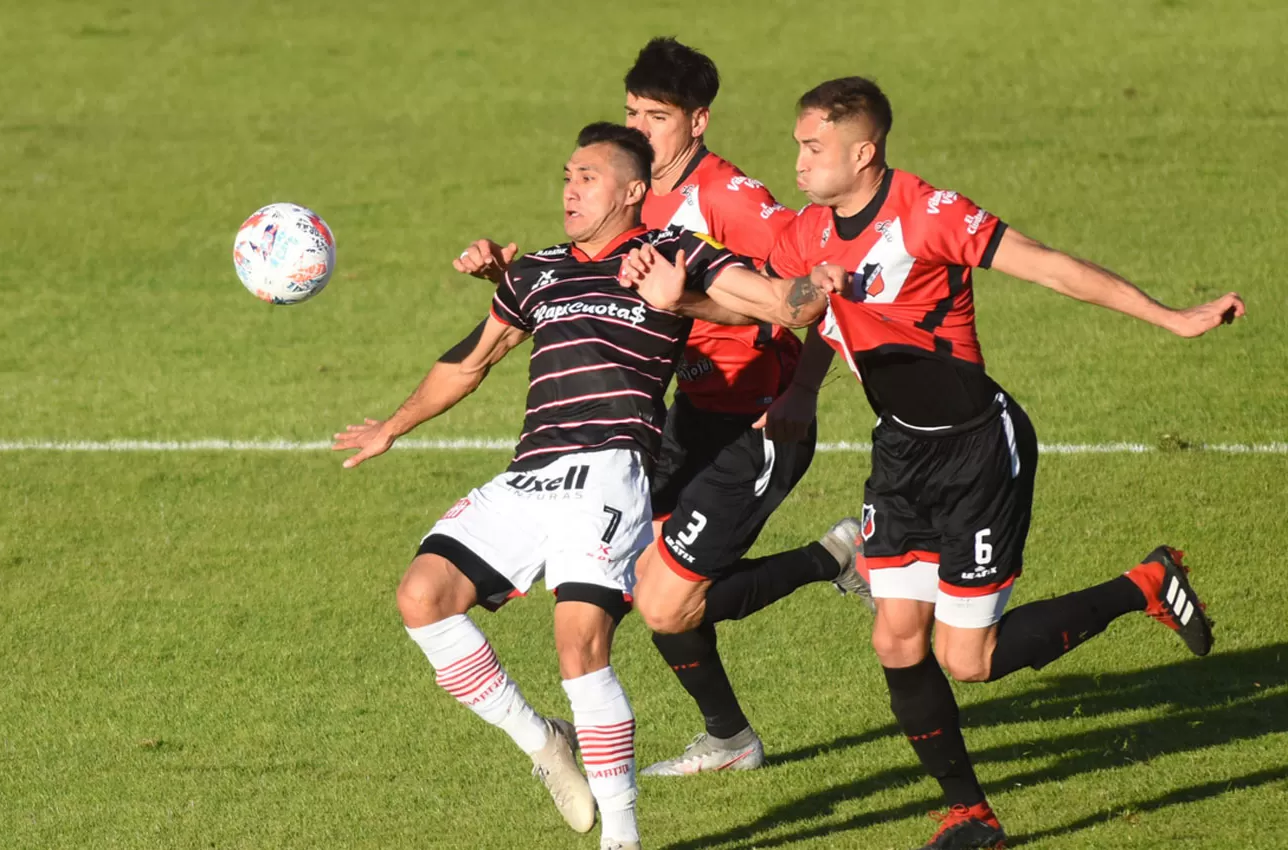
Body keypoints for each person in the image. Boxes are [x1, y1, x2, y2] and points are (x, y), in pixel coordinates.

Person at [619, 76, 1245, 850]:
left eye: (812, 147)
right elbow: (776, 303)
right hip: (902, 452)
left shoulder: (928, 214)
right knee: (896, 641)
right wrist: (690, 306)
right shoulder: (809, 232)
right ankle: (970, 816)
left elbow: (1050, 266)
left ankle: (1143, 584)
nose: (799, 160)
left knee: (969, 659)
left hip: (979, 451)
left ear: (863, 152)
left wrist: (1173, 317)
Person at [335, 122, 826, 850]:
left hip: (609, 473)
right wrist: (393, 426)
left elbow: (790, 305)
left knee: (579, 645)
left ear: (634, 192)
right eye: (566, 174)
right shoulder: (538, 271)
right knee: (422, 597)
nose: (570, 188)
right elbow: (473, 359)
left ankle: (621, 838)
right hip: (532, 473)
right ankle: (542, 742)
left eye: (588, 177)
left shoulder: (674, 254)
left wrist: (694, 297)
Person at [452, 36, 870, 778]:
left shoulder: (733, 202)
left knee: (663, 600)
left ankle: (834, 558)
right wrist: (505, 275)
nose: (638, 128)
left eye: (657, 116)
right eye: (630, 111)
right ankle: (732, 737)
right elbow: (582, 285)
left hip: (758, 418)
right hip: (685, 417)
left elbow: (818, 286)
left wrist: (802, 391)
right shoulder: (635, 192)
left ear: (698, 121)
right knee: (641, 579)